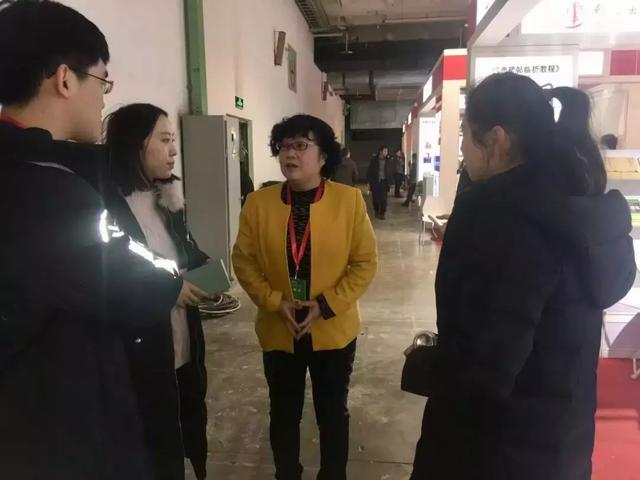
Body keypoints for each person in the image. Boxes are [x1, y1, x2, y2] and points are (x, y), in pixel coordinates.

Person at [0, 2, 207, 478]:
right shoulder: (47, 188)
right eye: (102, 81)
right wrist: (169, 281)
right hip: (54, 430)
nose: (103, 99)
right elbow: (124, 278)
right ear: (64, 79)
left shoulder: (39, 172)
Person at [409, 73, 635, 480]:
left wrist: (423, 364)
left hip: (489, 449)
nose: (462, 149)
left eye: (465, 135)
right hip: (560, 443)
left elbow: (485, 366)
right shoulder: (582, 207)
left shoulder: (495, 219)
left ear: (495, 140)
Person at [232, 114, 378, 480]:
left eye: (301, 145)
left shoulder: (349, 201)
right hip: (280, 326)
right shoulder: (258, 203)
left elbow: (364, 263)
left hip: (332, 330)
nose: (289, 154)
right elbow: (244, 261)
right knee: (283, 413)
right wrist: (273, 301)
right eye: (283, 146)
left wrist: (326, 305)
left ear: (323, 156)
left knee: (332, 412)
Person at [103, 103, 210, 480]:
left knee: (182, 427)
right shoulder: (106, 206)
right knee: (149, 442)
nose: (174, 151)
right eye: (164, 140)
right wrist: (167, 290)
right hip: (141, 350)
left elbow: (183, 253)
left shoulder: (168, 198)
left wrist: (205, 273)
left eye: (173, 141)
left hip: (182, 341)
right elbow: (111, 275)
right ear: (136, 143)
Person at [368, 145, 394, 219]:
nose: (386, 152)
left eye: (387, 151)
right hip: (375, 181)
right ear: (380, 151)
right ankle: (376, 211)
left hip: (384, 182)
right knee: (375, 198)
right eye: (385, 151)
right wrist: (368, 181)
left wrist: (391, 182)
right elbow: (370, 170)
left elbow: (390, 171)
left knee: (384, 199)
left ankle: (382, 213)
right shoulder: (374, 160)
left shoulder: (388, 160)